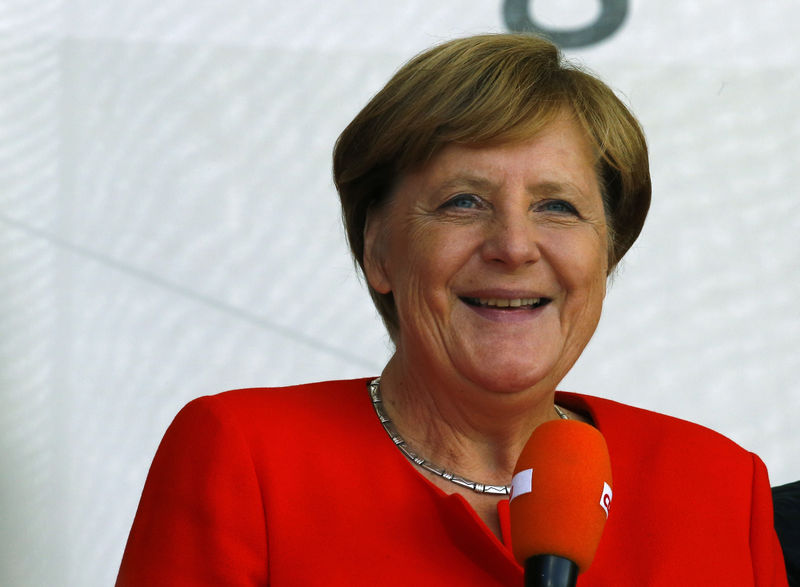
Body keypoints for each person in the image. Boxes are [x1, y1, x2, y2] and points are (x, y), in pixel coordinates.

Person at [116, 34, 789, 585]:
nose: (514, 245)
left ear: (605, 256)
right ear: (380, 250)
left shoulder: (719, 485)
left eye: (557, 206)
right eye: (464, 201)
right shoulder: (246, 457)